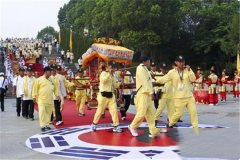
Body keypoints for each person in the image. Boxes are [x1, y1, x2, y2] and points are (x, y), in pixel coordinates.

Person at [157, 55, 199, 134]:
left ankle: (196, 128)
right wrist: (156, 82)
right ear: (176, 62)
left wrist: (190, 70)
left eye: (183, 61)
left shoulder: (188, 70)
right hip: (179, 97)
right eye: (180, 62)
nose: (181, 63)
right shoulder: (172, 72)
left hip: (189, 96)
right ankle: (170, 123)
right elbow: (164, 78)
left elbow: (193, 79)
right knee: (178, 114)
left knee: (193, 112)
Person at [128, 55, 166, 138]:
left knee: (150, 114)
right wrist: (151, 92)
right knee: (141, 113)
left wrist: (155, 83)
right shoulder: (140, 69)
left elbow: (149, 82)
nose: (150, 62)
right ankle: (132, 126)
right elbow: (145, 83)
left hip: (147, 95)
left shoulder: (145, 69)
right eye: (149, 61)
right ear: (145, 61)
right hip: (142, 95)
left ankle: (153, 131)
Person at [91, 62, 122, 133]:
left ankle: (116, 126)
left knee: (114, 111)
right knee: (100, 111)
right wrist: (109, 73)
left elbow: (115, 85)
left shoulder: (113, 75)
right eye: (111, 67)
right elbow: (103, 81)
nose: (112, 69)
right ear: (107, 67)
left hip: (111, 96)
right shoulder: (103, 73)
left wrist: (119, 82)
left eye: (113, 67)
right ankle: (94, 124)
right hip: (103, 96)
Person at [32, 66, 58, 132]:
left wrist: (57, 95)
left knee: (48, 113)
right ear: (46, 72)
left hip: (50, 99)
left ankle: (46, 124)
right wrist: (34, 97)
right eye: (50, 71)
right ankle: (42, 125)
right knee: (42, 112)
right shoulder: (39, 80)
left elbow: (55, 88)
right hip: (41, 99)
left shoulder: (52, 80)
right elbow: (34, 89)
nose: (51, 72)